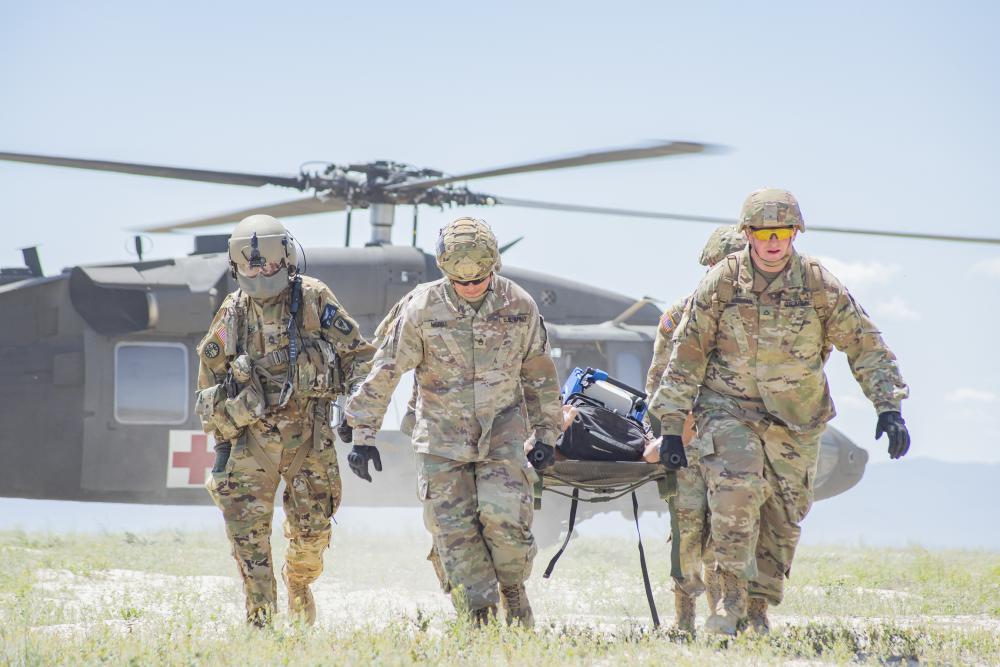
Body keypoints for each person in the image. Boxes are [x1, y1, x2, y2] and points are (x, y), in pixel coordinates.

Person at [650, 188, 910, 635]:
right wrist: (672, 425)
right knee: (737, 493)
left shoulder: (818, 285)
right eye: (765, 232)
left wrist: (888, 406)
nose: (774, 241)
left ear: (795, 233)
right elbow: (686, 354)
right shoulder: (722, 282)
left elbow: (864, 343)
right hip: (727, 409)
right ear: (748, 234)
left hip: (796, 418)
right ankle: (728, 602)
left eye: (783, 232)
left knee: (784, 517)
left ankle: (757, 608)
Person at [343, 217, 563, 627]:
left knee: (505, 522)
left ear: (493, 266)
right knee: (454, 535)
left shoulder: (520, 306)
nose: (471, 287)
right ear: (446, 271)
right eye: (461, 282)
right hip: (440, 441)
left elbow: (540, 374)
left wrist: (548, 433)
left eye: (480, 279)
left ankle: (514, 593)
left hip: (502, 434)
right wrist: (363, 432)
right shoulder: (422, 308)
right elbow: (387, 368)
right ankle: (478, 620)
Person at [195, 214, 374, 627]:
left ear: (287, 259)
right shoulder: (232, 314)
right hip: (250, 444)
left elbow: (359, 358)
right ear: (236, 266)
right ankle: (260, 625)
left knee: (312, 538)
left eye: (269, 264)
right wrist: (228, 425)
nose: (260, 273)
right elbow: (207, 391)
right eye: (251, 265)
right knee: (248, 540)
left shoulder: (314, 300)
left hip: (309, 439)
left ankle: (298, 584)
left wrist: (357, 409)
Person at [643, 224, 746, 633]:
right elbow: (656, 382)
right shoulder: (679, 314)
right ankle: (683, 619)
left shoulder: (760, 320)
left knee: (731, 532)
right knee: (687, 531)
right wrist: (674, 427)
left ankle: (730, 615)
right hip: (687, 441)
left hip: (735, 445)